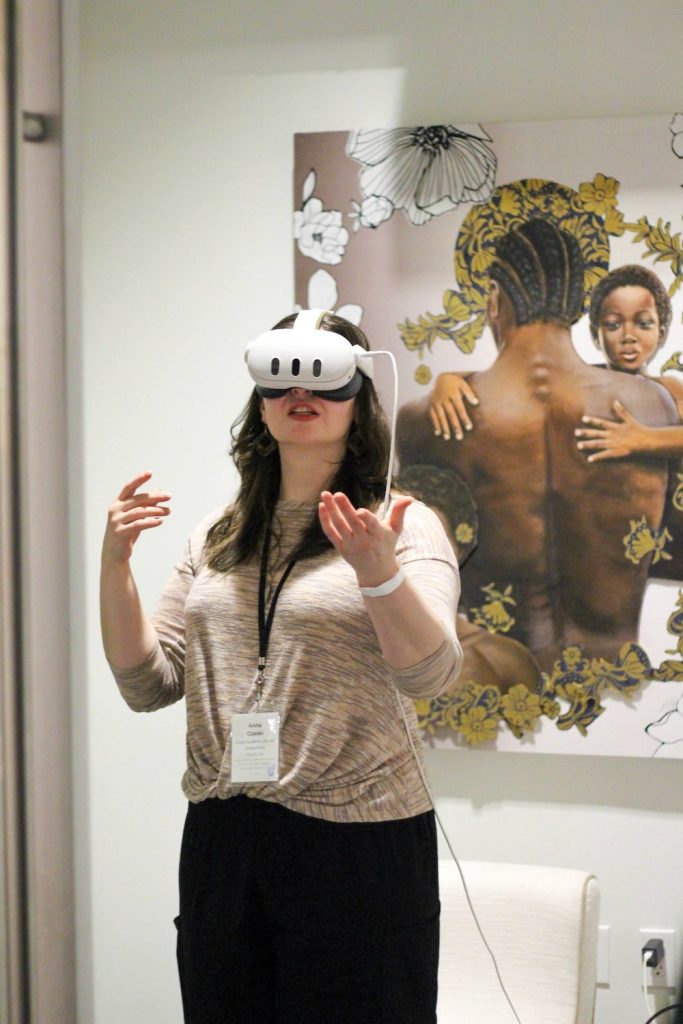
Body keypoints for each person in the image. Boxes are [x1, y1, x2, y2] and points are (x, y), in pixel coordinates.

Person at [100, 310, 463, 1024]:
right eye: (280, 377)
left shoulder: (400, 524)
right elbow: (150, 683)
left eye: (323, 377)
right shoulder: (219, 533)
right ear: (260, 400)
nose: (301, 393)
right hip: (224, 833)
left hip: (357, 842)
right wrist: (114, 567)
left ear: (359, 396)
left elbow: (430, 675)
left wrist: (379, 574)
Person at [397, 218, 681, 670]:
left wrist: (450, 379)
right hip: (612, 682)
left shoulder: (423, 421)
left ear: (494, 299)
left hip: (498, 682)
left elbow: (415, 570)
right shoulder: (653, 405)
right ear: (579, 306)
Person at [397, 463, 541, 695]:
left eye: (433, 542)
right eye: (401, 538)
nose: (415, 556)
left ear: (460, 550)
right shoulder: (352, 650)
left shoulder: (504, 661)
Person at [574, 263, 683, 461]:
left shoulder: (669, 388)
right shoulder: (582, 383)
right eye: (614, 325)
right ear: (595, 335)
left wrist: (642, 439)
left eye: (643, 323)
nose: (628, 336)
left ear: (661, 333)